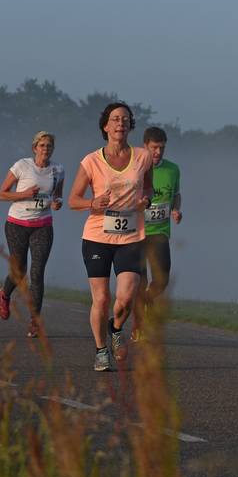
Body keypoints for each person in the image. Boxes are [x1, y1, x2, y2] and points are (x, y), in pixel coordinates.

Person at [68, 102, 153, 372]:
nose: (120, 123)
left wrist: (146, 200)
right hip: (97, 237)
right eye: (115, 119)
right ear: (105, 126)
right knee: (102, 298)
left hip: (131, 236)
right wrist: (92, 204)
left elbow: (149, 189)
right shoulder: (91, 161)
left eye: (125, 119)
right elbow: (73, 200)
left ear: (130, 125)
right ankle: (101, 350)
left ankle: (115, 328)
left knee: (126, 298)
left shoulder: (143, 157)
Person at [0, 131, 64, 338]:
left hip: (42, 225)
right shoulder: (22, 166)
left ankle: (35, 321)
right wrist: (24, 194)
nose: (45, 149)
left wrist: (57, 203)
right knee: (20, 270)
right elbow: (2, 193)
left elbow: (57, 196)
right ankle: (5, 294)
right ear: (35, 148)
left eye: (49, 146)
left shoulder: (58, 169)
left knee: (37, 272)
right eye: (42, 145)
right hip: (17, 223)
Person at [132, 126, 182, 341]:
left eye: (161, 148)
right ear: (145, 146)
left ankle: (148, 303)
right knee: (139, 283)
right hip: (137, 232)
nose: (158, 152)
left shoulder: (173, 169)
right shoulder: (135, 168)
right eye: (154, 148)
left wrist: (175, 209)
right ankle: (138, 327)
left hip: (160, 231)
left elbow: (176, 194)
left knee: (161, 280)